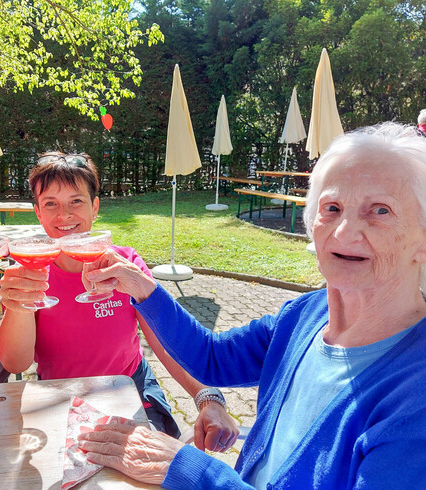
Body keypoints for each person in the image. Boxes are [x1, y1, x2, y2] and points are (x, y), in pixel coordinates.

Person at [77, 122, 426, 488]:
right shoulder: (304, 316)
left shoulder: (415, 400)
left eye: (380, 211)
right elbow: (212, 359)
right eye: (332, 207)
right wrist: (143, 287)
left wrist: (188, 470)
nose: (343, 232)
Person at [0, 152, 238, 451]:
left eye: (76, 201)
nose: (64, 215)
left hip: (130, 388)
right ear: (38, 213)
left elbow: (166, 342)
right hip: (60, 396)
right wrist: (19, 304)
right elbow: (15, 362)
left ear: (95, 207)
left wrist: (206, 398)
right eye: (51, 204)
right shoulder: (32, 272)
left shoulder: (124, 264)